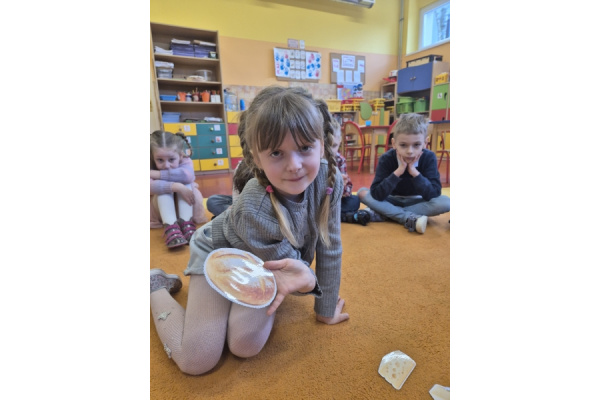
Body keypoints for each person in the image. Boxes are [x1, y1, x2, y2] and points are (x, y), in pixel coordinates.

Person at [150, 85, 349, 376]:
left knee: (245, 345)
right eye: (277, 152)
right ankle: (154, 285)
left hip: (261, 263)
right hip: (217, 251)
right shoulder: (254, 206)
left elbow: (330, 246)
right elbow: (294, 272)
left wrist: (325, 308)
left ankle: (226, 308)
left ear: (322, 144)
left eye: (305, 147)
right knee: (197, 360)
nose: (294, 165)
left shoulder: (330, 181)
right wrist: (309, 281)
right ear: (256, 158)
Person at [357, 113, 450, 234]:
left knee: (446, 203)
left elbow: (434, 193)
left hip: (418, 201)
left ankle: (387, 213)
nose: (410, 151)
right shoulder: (386, 158)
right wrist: (398, 172)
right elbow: (377, 194)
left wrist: (415, 173)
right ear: (394, 143)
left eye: (416, 145)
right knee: (362, 193)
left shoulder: (429, 157)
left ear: (425, 143)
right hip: (390, 199)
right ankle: (405, 217)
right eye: (403, 145)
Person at [150, 130, 209, 248]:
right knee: (163, 190)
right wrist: (175, 186)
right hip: (161, 211)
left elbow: (187, 176)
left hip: (188, 206)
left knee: (186, 184)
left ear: (181, 155)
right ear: (153, 157)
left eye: (171, 160)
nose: (166, 165)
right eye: (160, 160)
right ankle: (170, 227)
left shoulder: (185, 160)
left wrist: (158, 174)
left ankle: (186, 223)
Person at [329, 119, 372, 226]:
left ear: (340, 142)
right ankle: (345, 216)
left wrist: (342, 188)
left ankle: (333, 215)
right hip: (320, 200)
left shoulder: (340, 160)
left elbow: (348, 189)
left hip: (335, 200)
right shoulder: (316, 160)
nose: (330, 151)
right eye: (327, 145)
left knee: (355, 201)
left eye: (334, 146)